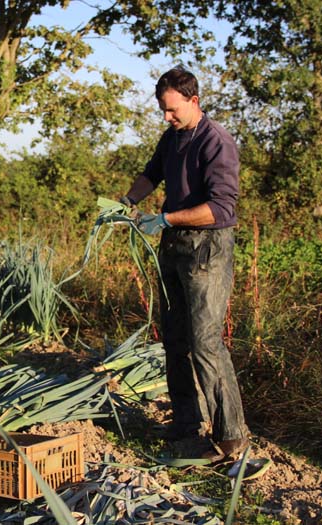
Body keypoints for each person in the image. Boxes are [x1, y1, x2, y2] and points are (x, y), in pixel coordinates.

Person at [120, 66, 249, 463]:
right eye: (162, 110)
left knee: (205, 341)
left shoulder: (217, 142)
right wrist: (127, 203)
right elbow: (151, 174)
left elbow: (222, 207)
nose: (167, 117)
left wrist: (168, 218)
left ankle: (232, 436)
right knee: (174, 339)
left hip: (207, 249)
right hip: (173, 246)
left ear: (194, 101)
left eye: (173, 110)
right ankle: (185, 424)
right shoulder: (172, 137)